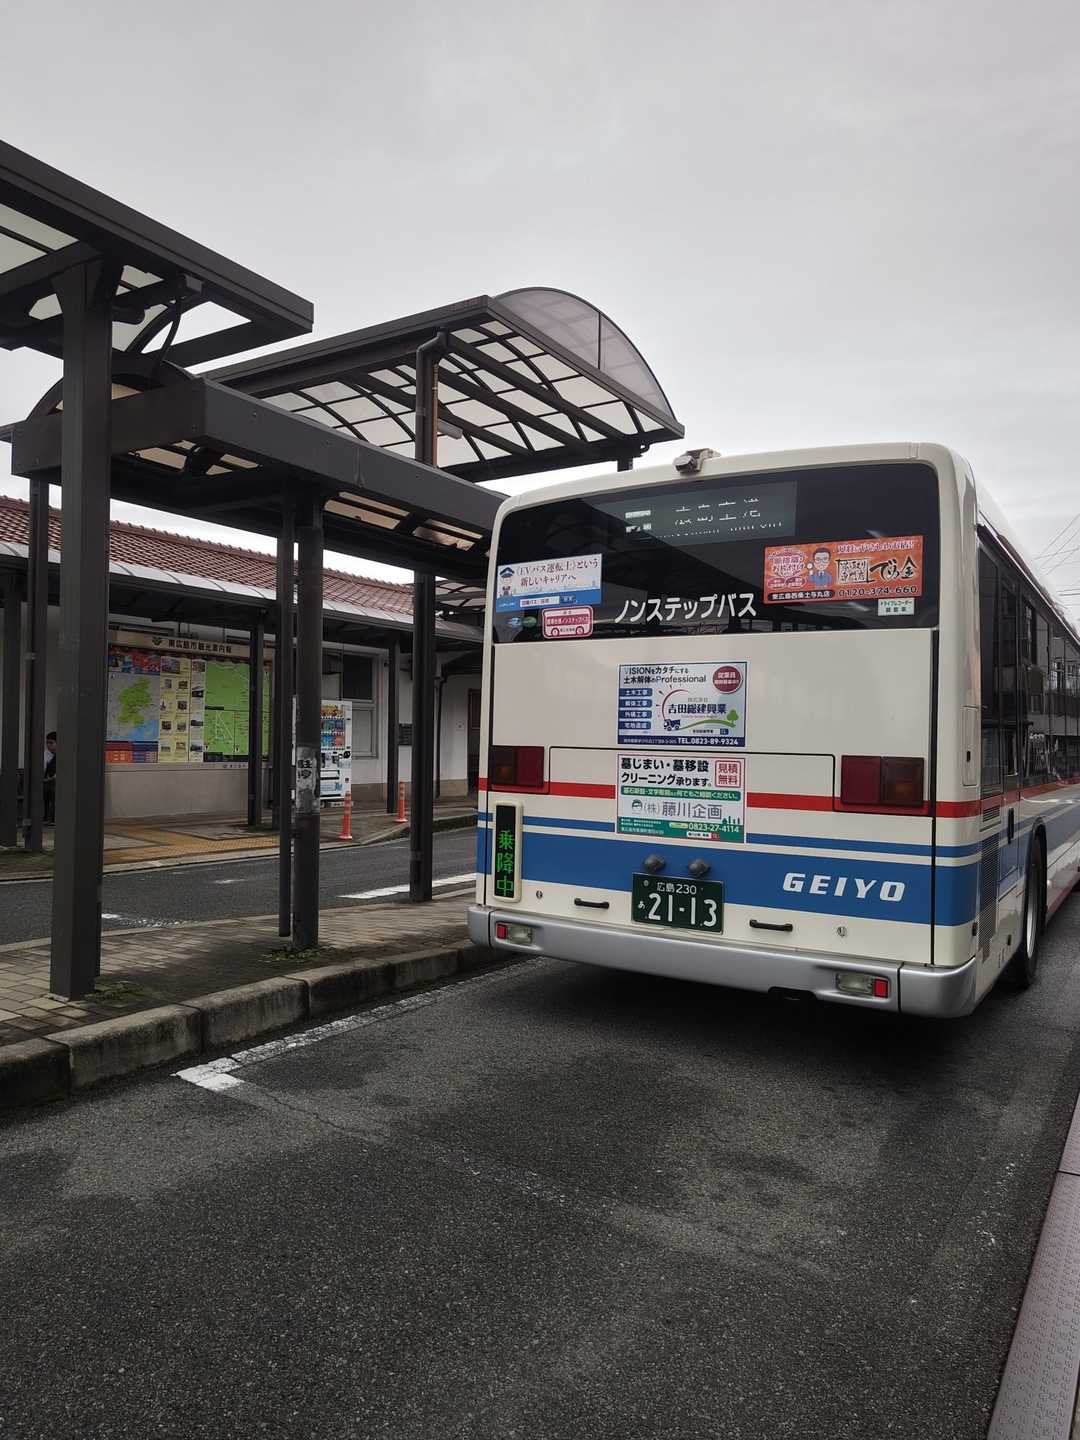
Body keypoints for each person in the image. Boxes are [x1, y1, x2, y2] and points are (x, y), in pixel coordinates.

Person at [43, 731, 56, 824]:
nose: (48, 745)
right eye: (47, 743)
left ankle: (52, 817)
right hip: (47, 781)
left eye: (51, 743)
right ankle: (47, 817)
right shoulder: (45, 755)